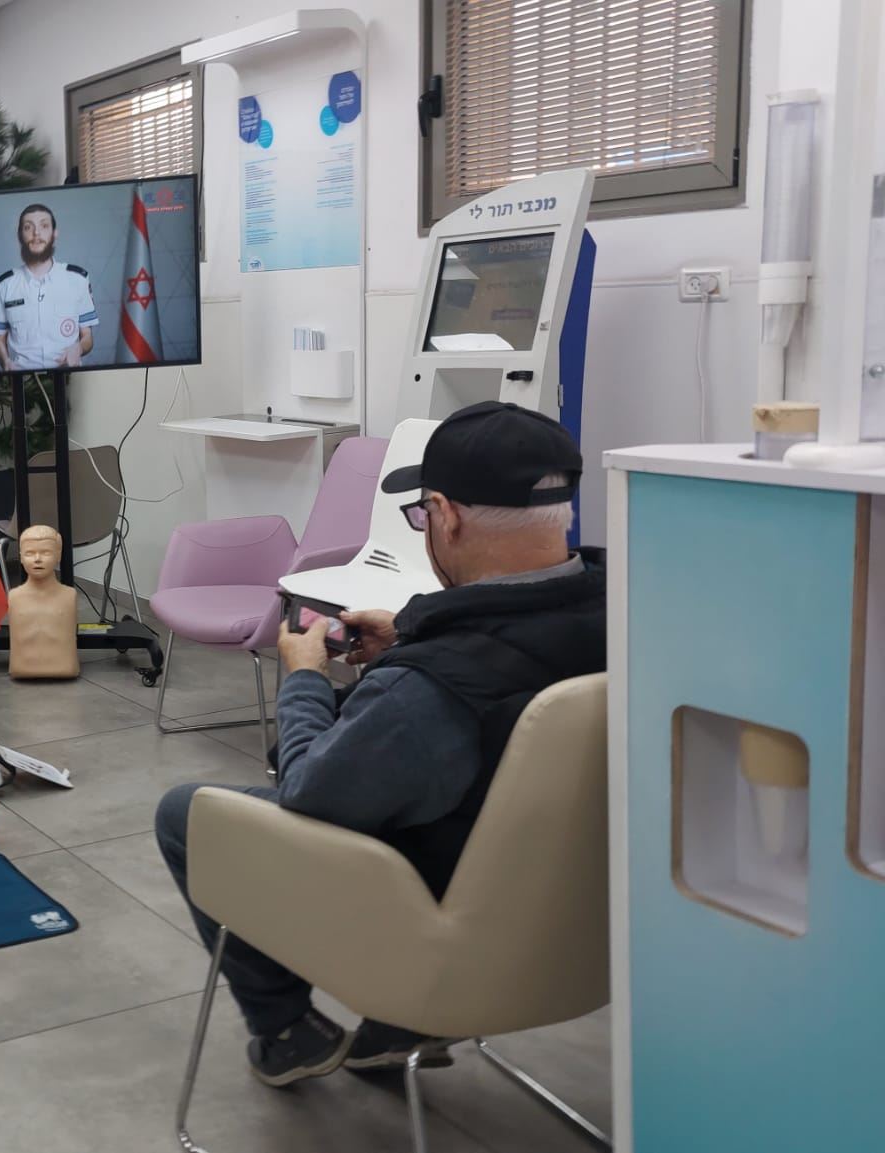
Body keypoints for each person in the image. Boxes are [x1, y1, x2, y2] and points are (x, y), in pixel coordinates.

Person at [155, 401, 604, 1086]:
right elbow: (511, 656)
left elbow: (308, 795)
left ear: (445, 515)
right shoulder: (627, 617)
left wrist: (306, 679)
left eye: (421, 514)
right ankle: (396, 1028)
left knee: (186, 813)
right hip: (580, 940)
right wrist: (413, 637)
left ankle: (287, 1029)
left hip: (440, 937)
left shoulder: (431, 691)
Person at [0, 203, 97, 371]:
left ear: (55, 233)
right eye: (28, 227)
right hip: (23, 378)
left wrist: (78, 348)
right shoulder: (5, 285)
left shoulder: (78, 279)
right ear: (20, 235)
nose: (36, 233)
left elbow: (87, 337)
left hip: (68, 375)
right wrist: (6, 361)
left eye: (44, 226)